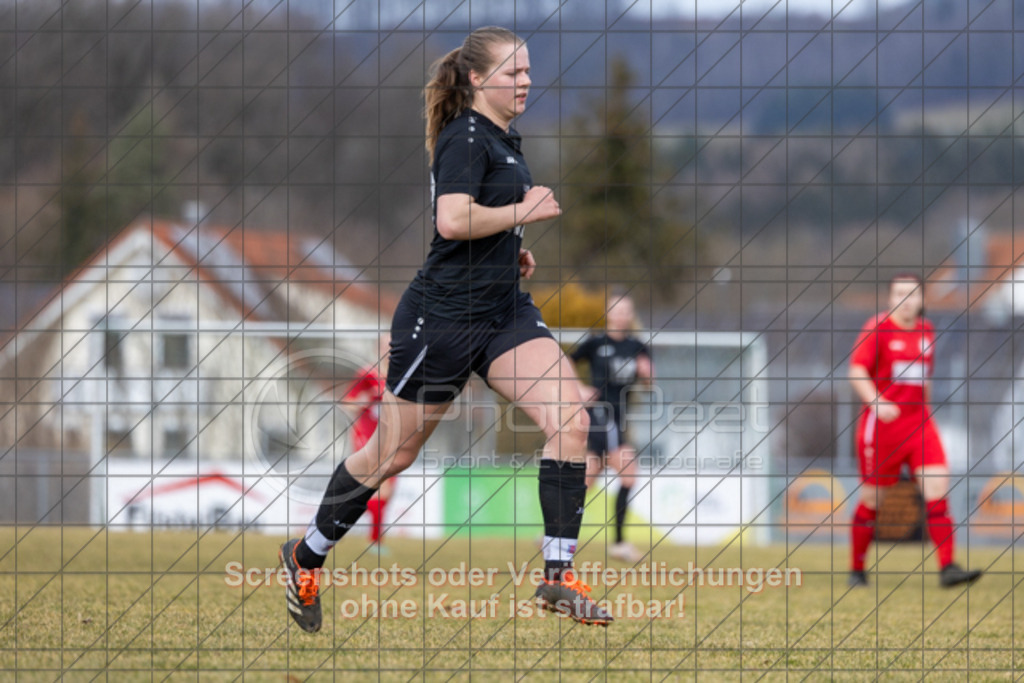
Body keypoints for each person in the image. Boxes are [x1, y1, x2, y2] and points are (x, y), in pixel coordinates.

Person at [278, 26, 613, 632]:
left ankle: (557, 576)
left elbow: (480, 223)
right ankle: (306, 556)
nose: (526, 82)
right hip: (443, 321)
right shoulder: (462, 135)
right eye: (513, 74)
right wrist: (522, 212)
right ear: (479, 79)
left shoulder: (506, 136)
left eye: (529, 72)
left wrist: (511, 247)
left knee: (572, 421)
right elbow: (453, 220)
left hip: (503, 312)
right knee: (392, 454)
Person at [847, 274, 982, 588]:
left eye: (912, 294)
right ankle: (856, 569)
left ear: (922, 299)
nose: (905, 300)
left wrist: (927, 412)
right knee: (873, 499)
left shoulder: (927, 330)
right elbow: (856, 372)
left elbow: (924, 379)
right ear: (890, 298)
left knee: (937, 488)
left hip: (919, 425)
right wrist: (877, 402)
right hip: (881, 430)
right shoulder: (877, 328)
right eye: (899, 293)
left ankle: (948, 567)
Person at [570, 292, 652, 564]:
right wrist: (579, 388)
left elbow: (648, 384)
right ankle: (617, 544)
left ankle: (555, 535)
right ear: (608, 314)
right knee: (628, 473)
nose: (621, 315)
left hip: (620, 418)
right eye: (616, 310)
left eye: (626, 310)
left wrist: (647, 374)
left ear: (630, 315)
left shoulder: (637, 347)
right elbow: (567, 362)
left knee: (587, 479)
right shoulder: (595, 343)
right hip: (600, 417)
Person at [340, 362, 392, 554]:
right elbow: (348, 401)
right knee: (381, 488)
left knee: (386, 491)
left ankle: (335, 519)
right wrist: (362, 401)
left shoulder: (402, 374)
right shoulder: (367, 374)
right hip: (367, 437)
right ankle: (375, 541)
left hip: (390, 438)